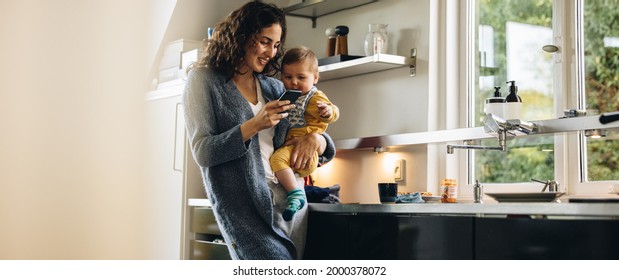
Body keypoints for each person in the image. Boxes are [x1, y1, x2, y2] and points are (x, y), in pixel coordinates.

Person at [182, 2, 335, 260]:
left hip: (291, 201)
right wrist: (254, 124)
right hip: (245, 210)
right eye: (265, 41)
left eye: (276, 45)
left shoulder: (274, 87)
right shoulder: (204, 81)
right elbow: (203, 152)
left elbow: (316, 137)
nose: (271, 53)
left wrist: (316, 139)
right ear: (241, 35)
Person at [270, 46, 339, 221]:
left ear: (315, 78)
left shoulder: (315, 97)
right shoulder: (286, 95)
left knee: (277, 160)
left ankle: (295, 195)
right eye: (288, 77)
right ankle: (294, 200)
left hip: (304, 152)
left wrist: (327, 112)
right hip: (295, 151)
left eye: (301, 77)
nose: (294, 82)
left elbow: (334, 110)